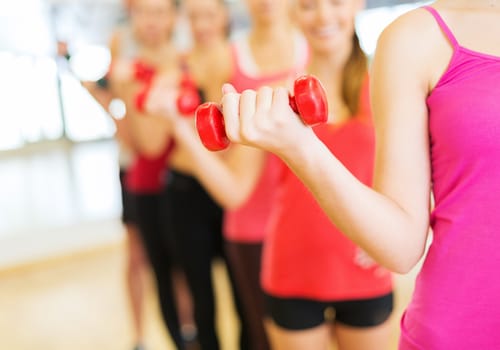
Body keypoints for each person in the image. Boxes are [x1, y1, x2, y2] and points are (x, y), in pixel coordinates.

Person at [217, 0, 500, 349]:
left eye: (334, 2)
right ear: (293, 12)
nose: (323, 16)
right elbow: (235, 191)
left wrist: (374, 233)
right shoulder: (275, 100)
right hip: (295, 270)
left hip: (362, 276)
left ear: (355, 6)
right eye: (308, 5)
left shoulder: (373, 87)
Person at [146, 1, 307, 349]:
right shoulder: (212, 62)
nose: (202, 24)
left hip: (303, 215)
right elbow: (224, 151)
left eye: (208, 14)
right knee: (224, 308)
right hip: (234, 205)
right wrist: (171, 102)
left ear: (223, 16)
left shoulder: (315, 50)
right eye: (193, 17)